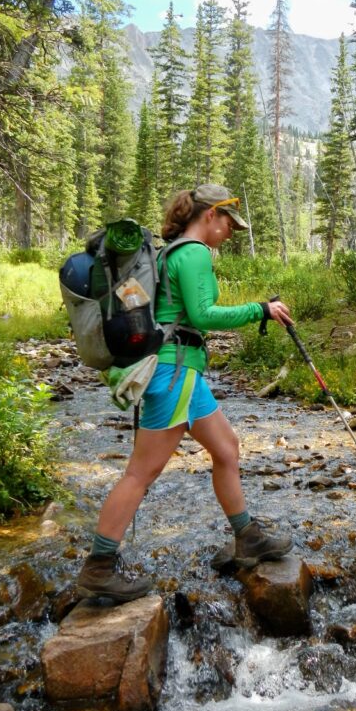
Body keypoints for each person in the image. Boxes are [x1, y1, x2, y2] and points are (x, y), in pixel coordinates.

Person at [76, 184, 294, 603]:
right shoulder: (193, 253)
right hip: (173, 373)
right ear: (211, 215)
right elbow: (202, 315)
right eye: (228, 223)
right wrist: (260, 310)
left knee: (227, 448)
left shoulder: (169, 253)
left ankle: (247, 537)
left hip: (182, 372)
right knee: (141, 473)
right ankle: (98, 568)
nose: (230, 232)